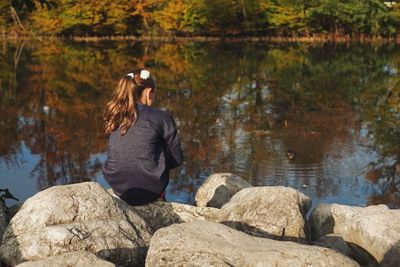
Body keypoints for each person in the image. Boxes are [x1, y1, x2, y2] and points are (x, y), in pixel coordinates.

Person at [102, 68, 183, 205]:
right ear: (149, 92)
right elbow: (176, 159)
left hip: (118, 187)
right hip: (151, 188)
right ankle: (159, 196)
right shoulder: (161, 117)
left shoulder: (114, 115)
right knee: (158, 141)